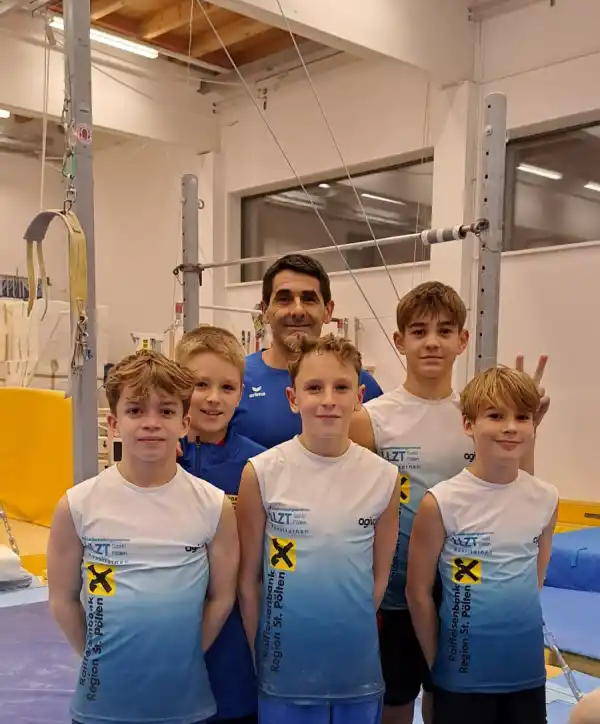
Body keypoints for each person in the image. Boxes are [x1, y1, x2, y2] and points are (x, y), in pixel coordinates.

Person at [348, 281, 549, 724]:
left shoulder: (483, 413)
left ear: (463, 340)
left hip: (466, 594)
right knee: (396, 701)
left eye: (445, 331)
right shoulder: (371, 420)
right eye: (418, 332)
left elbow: (516, 495)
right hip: (399, 594)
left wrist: (529, 423)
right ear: (400, 342)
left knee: (452, 701)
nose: (432, 342)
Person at [47, 350, 239, 724]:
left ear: (184, 422)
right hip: (102, 704)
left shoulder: (213, 506)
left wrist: (187, 653)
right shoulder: (78, 505)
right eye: (136, 411)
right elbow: (62, 599)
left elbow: (221, 597)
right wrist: (96, 654)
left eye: (166, 411)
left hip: (184, 704)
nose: (151, 423)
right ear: (114, 423)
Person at [236, 334, 400, 724]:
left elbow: (378, 577)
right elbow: (248, 580)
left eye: (341, 387)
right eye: (314, 387)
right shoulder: (262, 472)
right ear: (293, 398)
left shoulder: (385, 477)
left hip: (355, 670)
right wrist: (264, 650)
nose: (328, 399)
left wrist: (345, 627)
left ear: (359, 396)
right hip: (284, 671)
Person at [406, 365, 558, 724]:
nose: (510, 426)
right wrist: (437, 661)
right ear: (468, 424)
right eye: (495, 415)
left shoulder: (545, 498)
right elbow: (417, 592)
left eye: (522, 417)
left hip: (525, 673)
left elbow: (533, 581)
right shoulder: (441, 501)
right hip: (462, 678)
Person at [176, 325, 264, 724]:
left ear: (241, 394)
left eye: (227, 387)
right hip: (166, 633)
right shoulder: (153, 461)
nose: (213, 398)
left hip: (234, 647)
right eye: (200, 384)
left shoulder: (261, 467)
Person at [232, 253, 382, 448]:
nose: (297, 311)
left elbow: (391, 461)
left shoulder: (358, 382)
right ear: (264, 311)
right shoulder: (235, 380)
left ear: (328, 311)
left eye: (309, 299)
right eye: (284, 299)